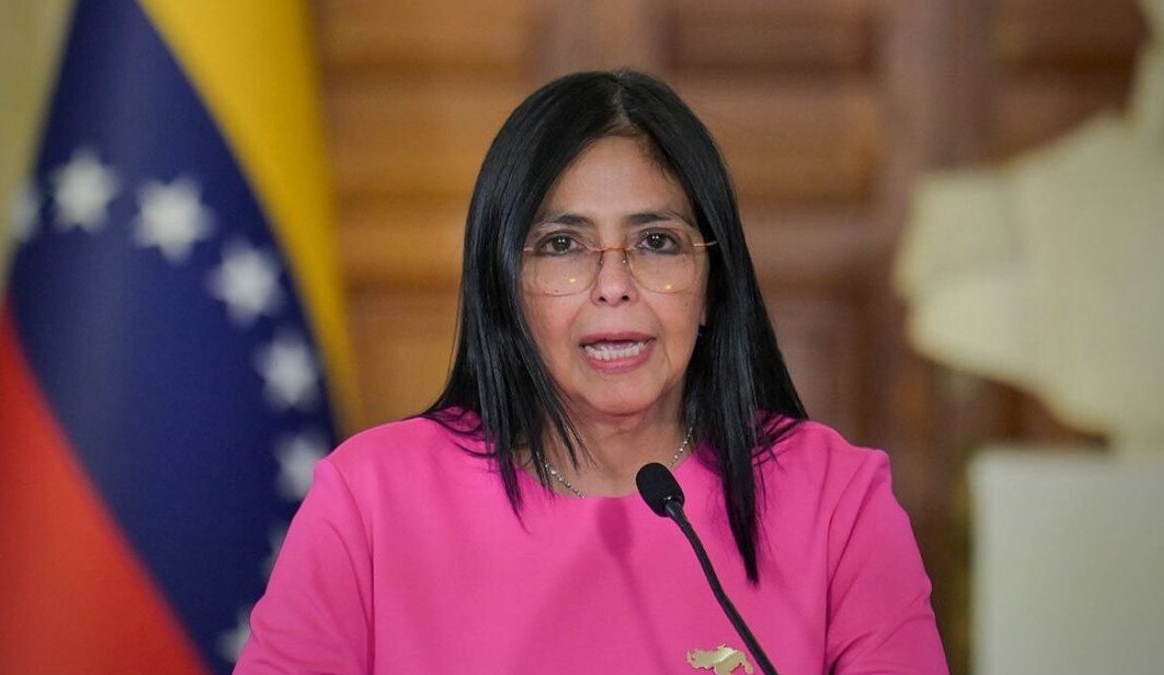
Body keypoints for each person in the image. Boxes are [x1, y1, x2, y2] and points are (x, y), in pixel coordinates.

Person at [236, 70, 949, 674]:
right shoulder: (370, 501)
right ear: (505, 286)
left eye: (657, 241)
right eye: (563, 245)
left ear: (712, 283)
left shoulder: (837, 502)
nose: (614, 286)